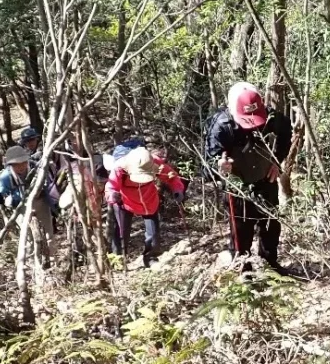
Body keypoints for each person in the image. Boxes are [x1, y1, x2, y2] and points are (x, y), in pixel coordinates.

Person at [205, 82, 292, 272]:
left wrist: (276, 162)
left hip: (265, 179)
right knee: (241, 231)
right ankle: (243, 270)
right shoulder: (220, 126)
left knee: (270, 224)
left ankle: (270, 267)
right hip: (237, 186)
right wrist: (220, 166)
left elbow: (286, 133)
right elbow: (207, 166)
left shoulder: (273, 118)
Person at [105, 145, 185, 267]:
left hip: (149, 200)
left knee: (153, 233)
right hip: (125, 201)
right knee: (122, 232)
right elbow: (111, 186)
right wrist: (112, 196)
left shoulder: (154, 162)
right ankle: (118, 260)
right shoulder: (120, 167)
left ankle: (151, 258)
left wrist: (177, 189)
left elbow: (171, 176)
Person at [0, 145, 60, 270]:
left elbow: (47, 182)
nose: (21, 166)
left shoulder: (35, 168)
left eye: (23, 162)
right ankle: (33, 264)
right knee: (28, 238)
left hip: (40, 203)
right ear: (10, 165)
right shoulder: (6, 176)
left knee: (48, 234)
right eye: (17, 164)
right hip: (21, 208)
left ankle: (52, 262)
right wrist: (3, 199)